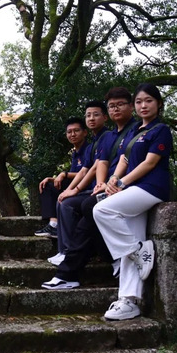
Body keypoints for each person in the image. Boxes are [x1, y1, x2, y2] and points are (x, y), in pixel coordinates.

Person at [42, 87, 137, 290]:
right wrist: (100, 184)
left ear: (131, 107)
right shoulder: (110, 136)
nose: (116, 109)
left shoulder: (136, 131)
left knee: (86, 207)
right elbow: (100, 163)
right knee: (85, 208)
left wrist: (113, 182)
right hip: (111, 187)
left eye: (120, 104)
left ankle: (74, 267)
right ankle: (75, 268)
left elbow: (132, 162)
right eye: (112, 106)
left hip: (128, 188)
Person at [93, 83, 172, 321]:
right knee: (131, 238)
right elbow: (124, 159)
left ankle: (138, 251)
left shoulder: (160, 130)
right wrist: (113, 180)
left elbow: (149, 163)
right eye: (139, 101)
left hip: (151, 187)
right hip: (133, 188)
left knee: (102, 210)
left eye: (148, 100)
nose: (143, 105)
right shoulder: (134, 130)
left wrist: (122, 183)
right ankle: (128, 300)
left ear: (158, 103)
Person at [47, 101, 109, 266]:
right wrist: (68, 190)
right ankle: (63, 251)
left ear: (105, 117)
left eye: (96, 115)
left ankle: (70, 252)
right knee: (62, 199)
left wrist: (75, 190)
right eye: (88, 115)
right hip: (92, 188)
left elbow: (95, 168)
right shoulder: (94, 142)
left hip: (102, 188)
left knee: (67, 204)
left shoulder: (107, 137)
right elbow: (84, 170)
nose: (91, 118)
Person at [34, 117, 89, 241]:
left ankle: (54, 225)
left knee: (51, 186)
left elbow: (87, 172)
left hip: (86, 187)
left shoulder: (89, 150)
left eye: (76, 131)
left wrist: (64, 174)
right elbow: (75, 174)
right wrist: (53, 179)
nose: (72, 134)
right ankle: (53, 224)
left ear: (85, 132)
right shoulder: (75, 153)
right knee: (47, 184)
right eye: (69, 132)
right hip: (75, 185)